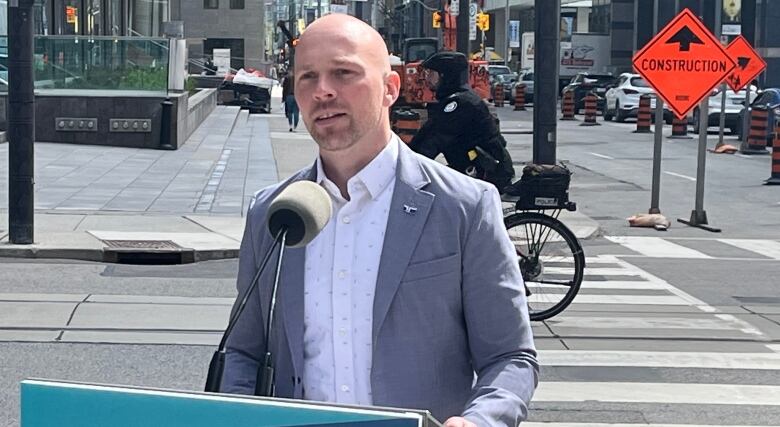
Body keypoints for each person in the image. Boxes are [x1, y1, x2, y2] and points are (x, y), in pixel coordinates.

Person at [220, 14, 538, 427]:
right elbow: (242, 352)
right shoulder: (273, 212)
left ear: (390, 88)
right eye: (307, 77)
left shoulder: (464, 206)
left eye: (343, 73)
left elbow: (510, 357)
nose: (323, 91)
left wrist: (481, 420)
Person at [409, 51, 516, 192]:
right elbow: (427, 133)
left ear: (444, 75)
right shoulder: (454, 100)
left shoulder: (461, 104)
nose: (427, 78)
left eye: (431, 73)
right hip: (470, 170)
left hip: (485, 173)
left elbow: (436, 139)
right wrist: (406, 154)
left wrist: (411, 166)